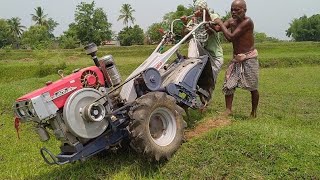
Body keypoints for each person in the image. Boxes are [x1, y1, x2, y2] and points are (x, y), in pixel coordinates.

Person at [214, 0, 259, 118]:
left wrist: (220, 23)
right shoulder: (230, 21)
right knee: (229, 84)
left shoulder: (248, 22)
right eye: (232, 9)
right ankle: (228, 110)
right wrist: (209, 19)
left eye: (237, 10)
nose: (234, 12)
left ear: (244, 10)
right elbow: (218, 29)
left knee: (253, 87)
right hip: (236, 58)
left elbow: (231, 37)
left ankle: (253, 112)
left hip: (249, 57)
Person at [180, 0, 224, 105]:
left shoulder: (213, 16)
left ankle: (204, 103)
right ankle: (191, 64)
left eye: (200, 9)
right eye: (196, 9)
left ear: (205, 9)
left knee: (209, 83)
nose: (197, 11)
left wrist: (205, 14)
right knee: (192, 40)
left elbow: (210, 31)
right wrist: (185, 23)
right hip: (202, 54)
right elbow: (184, 36)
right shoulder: (194, 21)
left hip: (214, 57)